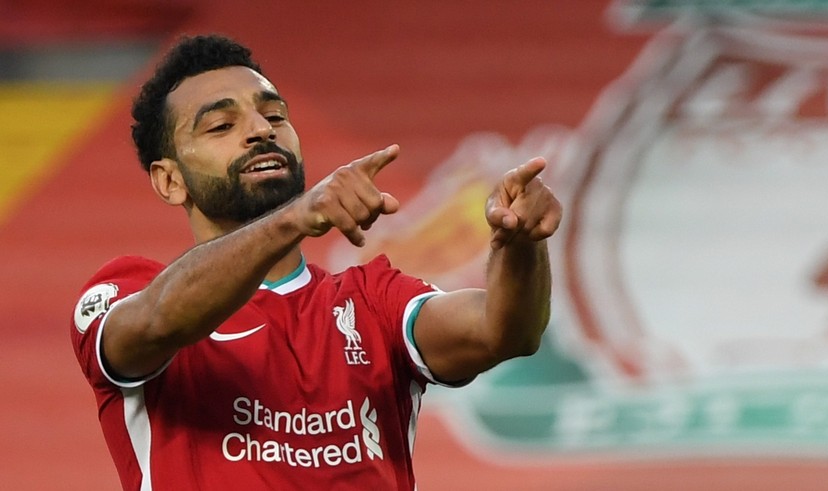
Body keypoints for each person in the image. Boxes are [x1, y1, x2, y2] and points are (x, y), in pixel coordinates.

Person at [70, 34, 562, 490]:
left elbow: (505, 331)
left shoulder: (373, 300)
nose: (262, 130)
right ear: (169, 181)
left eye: (276, 115)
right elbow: (157, 321)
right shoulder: (126, 291)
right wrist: (294, 218)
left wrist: (518, 246)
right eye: (222, 125)